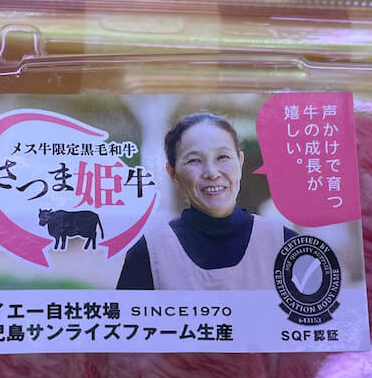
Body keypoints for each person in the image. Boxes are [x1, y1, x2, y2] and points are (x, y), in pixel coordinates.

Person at [116, 111, 296, 290]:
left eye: (223, 157)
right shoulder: (150, 253)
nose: (212, 173)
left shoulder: (285, 243)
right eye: (194, 161)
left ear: (240, 163)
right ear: (173, 173)